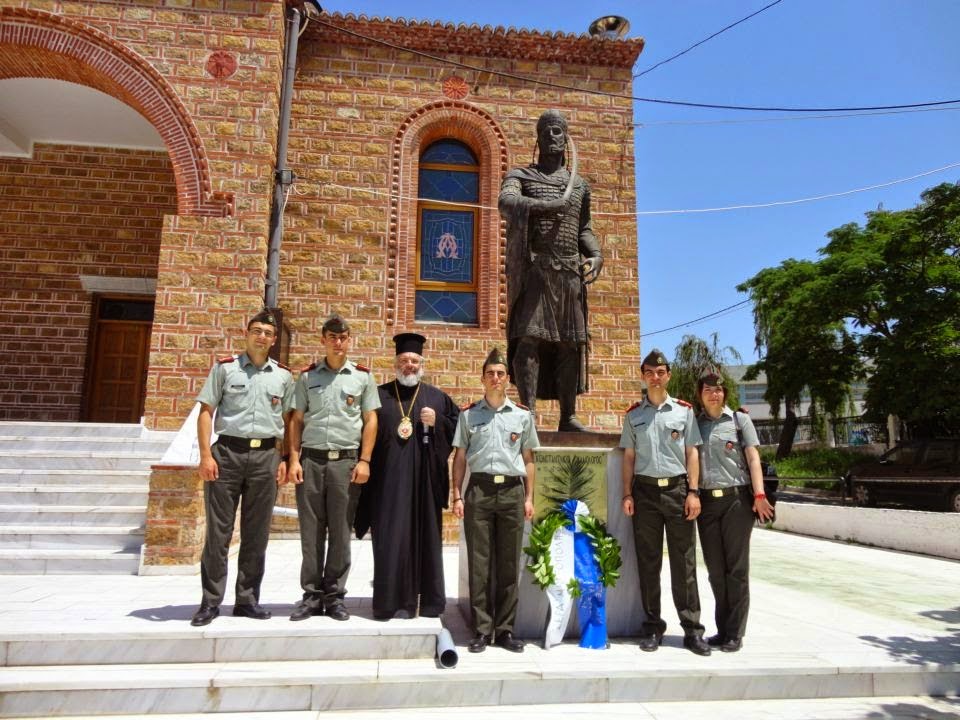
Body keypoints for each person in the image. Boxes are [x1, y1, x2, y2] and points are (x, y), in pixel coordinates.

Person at [499, 109, 603, 432]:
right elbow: (506, 203)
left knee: (570, 344)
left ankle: (568, 416)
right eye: (546, 130)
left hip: (569, 273)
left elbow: (583, 227)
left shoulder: (579, 186)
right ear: (538, 137)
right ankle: (527, 413)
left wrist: (596, 254)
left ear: (566, 136)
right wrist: (547, 206)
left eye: (558, 130)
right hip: (536, 271)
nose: (552, 136)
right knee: (528, 339)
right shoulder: (521, 177)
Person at [191, 309, 294, 627]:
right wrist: (206, 455)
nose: (261, 336)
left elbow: (289, 421)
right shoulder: (225, 370)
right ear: (247, 334)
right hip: (227, 455)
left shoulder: (284, 377)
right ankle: (210, 602)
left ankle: (247, 600)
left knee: (256, 533)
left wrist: (287, 458)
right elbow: (206, 412)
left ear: (274, 339)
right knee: (218, 533)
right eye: (256, 330)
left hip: (266, 457)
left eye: (267, 332)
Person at [357, 332, 460, 620]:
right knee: (389, 540)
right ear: (395, 363)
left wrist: (438, 422)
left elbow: (458, 431)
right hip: (386, 485)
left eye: (414, 361)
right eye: (404, 360)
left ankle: (429, 603)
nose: (409, 366)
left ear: (422, 363)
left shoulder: (437, 398)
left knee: (427, 539)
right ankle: (388, 604)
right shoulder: (377, 396)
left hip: (424, 485)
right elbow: (360, 431)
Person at [285, 313, 379, 621]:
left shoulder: (362, 377)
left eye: (343, 338)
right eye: (332, 338)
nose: (338, 343)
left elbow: (370, 421)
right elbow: (296, 421)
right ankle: (311, 595)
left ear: (349, 340)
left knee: (340, 531)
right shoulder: (308, 377)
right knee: (311, 531)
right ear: (323, 340)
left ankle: (335, 596)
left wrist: (364, 460)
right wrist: (294, 459)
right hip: (311, 461)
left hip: (345, 463)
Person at [620, 349, 711, 655]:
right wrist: (627, 493)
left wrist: (693, 492)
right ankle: (652, 627)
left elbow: (692, 453)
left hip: (677, 491)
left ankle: (692, 630)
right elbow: (629, 458)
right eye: (649, 373)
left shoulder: (683, 412)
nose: (655, 378)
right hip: (645, 493)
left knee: (684, 564)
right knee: (648, 563)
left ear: (668, 375)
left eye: (660, 373)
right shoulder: (634, 415)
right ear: (643, 376)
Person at [452, 348, 539, 653]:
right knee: (479, 564)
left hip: (512, 493)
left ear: (507, 380)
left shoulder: (522, 416)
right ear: (482, 378)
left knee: (508, 564)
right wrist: (458, 495)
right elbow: (460, 458)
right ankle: (481, 629)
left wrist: (529, 497)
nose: (495, 378)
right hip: (479, 490)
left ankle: (504, 630)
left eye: (500, 373)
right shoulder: (468, 415)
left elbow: (528, 460)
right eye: (490, 373)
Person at [695, 369, 774, 653]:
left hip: (736, 500)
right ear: (700, 395)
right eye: (707, 391)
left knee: (736, 570)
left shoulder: (740, 421)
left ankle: (735, 632)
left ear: (724, 393)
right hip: (706, 503)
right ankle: (722, 628)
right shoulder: (695, 423)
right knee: (716, 571)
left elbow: (753, 458)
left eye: (718, 390)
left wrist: (759, 494)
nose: (713, 394)